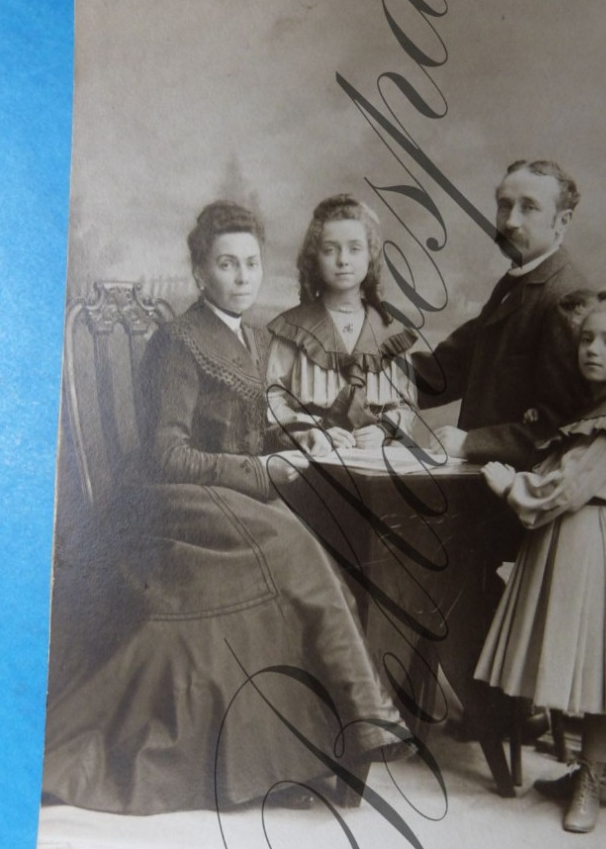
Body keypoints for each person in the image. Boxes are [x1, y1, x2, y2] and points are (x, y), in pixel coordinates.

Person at [42, 201, 411, 816]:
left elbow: (253, 428)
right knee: (293, 546)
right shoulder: (177, 341)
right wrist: (262, 472)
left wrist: (302, 439)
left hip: (225, 497)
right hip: (164, 506)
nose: (242, 277)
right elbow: (168, 455)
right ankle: (369, 717)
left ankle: (337, 734)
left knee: (304, 545)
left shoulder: (258, 338)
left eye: (251, 264)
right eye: (226, 264)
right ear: (198, 272)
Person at [473, 291, 606, 832]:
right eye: (586, 339)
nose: (592, 349)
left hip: (605, 545)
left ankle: (591, 777)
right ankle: (596, 773)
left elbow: (567, 487)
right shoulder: (601, 405)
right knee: (588, 663)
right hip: (581, 544)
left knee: (602, 667)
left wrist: (510, 487)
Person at [412, 159, 593, 468]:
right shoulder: (519, 280)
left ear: (563, 221)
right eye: (504, 206)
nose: (509, 222)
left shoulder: (565, 297)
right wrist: (376, 380)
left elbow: (563, 426)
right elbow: (450, 366)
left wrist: (471, 442)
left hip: (522, 492)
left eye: (529, 208)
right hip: (484, 479)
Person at [266, 194, 417, 453]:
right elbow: (273, 396)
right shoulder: (293, 328)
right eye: (330, 250)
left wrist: (382, 432)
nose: (343, 260)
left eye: (354, 249)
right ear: (315, 258)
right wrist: (312, 430)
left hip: (376, 458)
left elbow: (406, 403)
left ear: (370, 255)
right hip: (311, 455)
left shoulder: (390, 330)